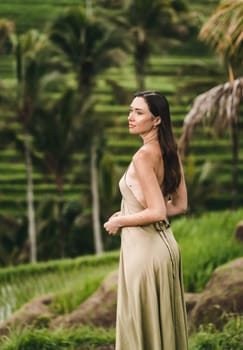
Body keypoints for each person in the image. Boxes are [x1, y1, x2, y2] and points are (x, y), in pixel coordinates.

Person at [104, 91, 188, 350]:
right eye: (130, 110)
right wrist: (128, 214)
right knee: (162, 332)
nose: (130, 117)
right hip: (166, 250)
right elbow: (180, 206)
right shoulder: (169, 150)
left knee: (139, 333)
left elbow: (157, 212)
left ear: (157, 120)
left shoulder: (142, 157)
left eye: (139, 112)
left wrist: (120, 222)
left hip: (145, 253)